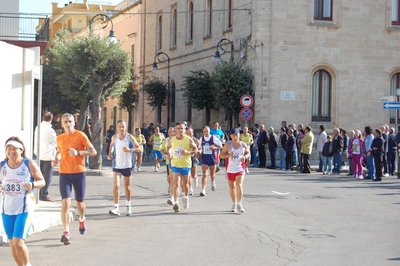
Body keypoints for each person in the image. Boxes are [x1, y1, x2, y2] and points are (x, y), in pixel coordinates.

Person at [52, 113, 97, 245]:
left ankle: (82, 218)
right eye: (65, 122)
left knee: (79, 203)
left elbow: (93, 151)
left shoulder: (80, 135)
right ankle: (66, 232)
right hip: (64, 173)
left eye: (70, 121)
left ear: (74, 122)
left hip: (79, 173)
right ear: (62, 124)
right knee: (65, 202)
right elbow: (59, 151)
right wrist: (56, 158)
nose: (68, 124)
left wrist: (78, 152)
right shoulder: (59, 138)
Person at [1, 137, 45, 266]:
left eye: (14, 149)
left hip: (24, 209)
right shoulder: (2, 166)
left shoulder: (28, 164)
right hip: (7, 210)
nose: (11, 152)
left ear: (21, 150)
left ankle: (27, 264)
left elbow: (42, 181)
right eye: (8, 149)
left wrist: (32, 185)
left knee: (18, 242)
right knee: (12, 244)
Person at [107, 120, 141, 216]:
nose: (121, 128)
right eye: (119, 127)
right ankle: (116, 208)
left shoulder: (129, 137)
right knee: (116, 186)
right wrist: (110, 154)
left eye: (123, 126)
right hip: (117, 165)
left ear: (125, 127)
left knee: (127, 187)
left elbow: (139, 148)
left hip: (127, 165)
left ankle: (128, 205)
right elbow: (111, 145)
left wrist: (130, 150)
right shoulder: (115, 137)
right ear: (117, 127)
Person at [166, 123, 198, 212]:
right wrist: (169, 154)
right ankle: (176, 203)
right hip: (175, 164)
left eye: (181, 128)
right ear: (175, 130)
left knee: (185, 184)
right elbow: (168, 148)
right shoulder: (172, 140)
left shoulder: (188, 139)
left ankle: (185, 197)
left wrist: (187, 152)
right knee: (175, 183)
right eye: (178, 128)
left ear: (184, 130)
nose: (180, 130)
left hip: (186, 165)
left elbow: (195, 149)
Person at [220, 128, 249, 213]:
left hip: (240, 168)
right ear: (231, 136)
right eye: (233, 135)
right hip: (230, 169)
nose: (235, 136)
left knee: (239, 185)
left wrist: (245, 157)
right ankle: (234, 204)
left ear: (239, 135)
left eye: (236, 135)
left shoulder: (243, 145)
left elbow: (247, 153)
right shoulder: (228, 145)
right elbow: (221, 155)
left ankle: (240, 204)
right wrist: (229, 155)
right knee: (232, 188)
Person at [34, 111, 57, 202]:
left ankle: (39, 193)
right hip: (48, 155)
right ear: (51, 119)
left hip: (39, 154)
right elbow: (56, 142)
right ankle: (44, 194)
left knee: (39, 175)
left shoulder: (38, 127)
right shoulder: (49, 130)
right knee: (47, 176)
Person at [199, 126, 222, 197]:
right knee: (205, 174)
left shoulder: (213, 138)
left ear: (209, 132)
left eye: (207, 131)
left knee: (212, 175)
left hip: (212, 158)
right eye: (204, 131)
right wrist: (199, 151)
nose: (206, 133)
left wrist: (215, 148)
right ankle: (203, 190)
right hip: (204, 159)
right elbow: (199, 147)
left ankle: (212, 182)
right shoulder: (201, 139)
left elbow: (220, 146)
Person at [161, 127, 175, 204]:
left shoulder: (177, 139)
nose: (170, 133)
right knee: (169, 178)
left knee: (174, 179)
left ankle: (172, 195)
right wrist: (164, 155)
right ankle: (171, 186)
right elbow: (162, 149)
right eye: (169, 132)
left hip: (177, 161)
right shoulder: (165, 140)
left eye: (171, 132)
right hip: (168, 161)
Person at [186, 127, 201, 196]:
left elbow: (200, 149)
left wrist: (198, 152)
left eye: (190, 133)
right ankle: (190, 189)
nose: (189, 134)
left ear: (193, 133)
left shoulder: (196, 141)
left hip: (194, 158)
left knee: (193, 175)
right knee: (188, 175)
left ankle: (195, 178)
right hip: (186, 159)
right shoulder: (184, 140)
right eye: (188, 133)